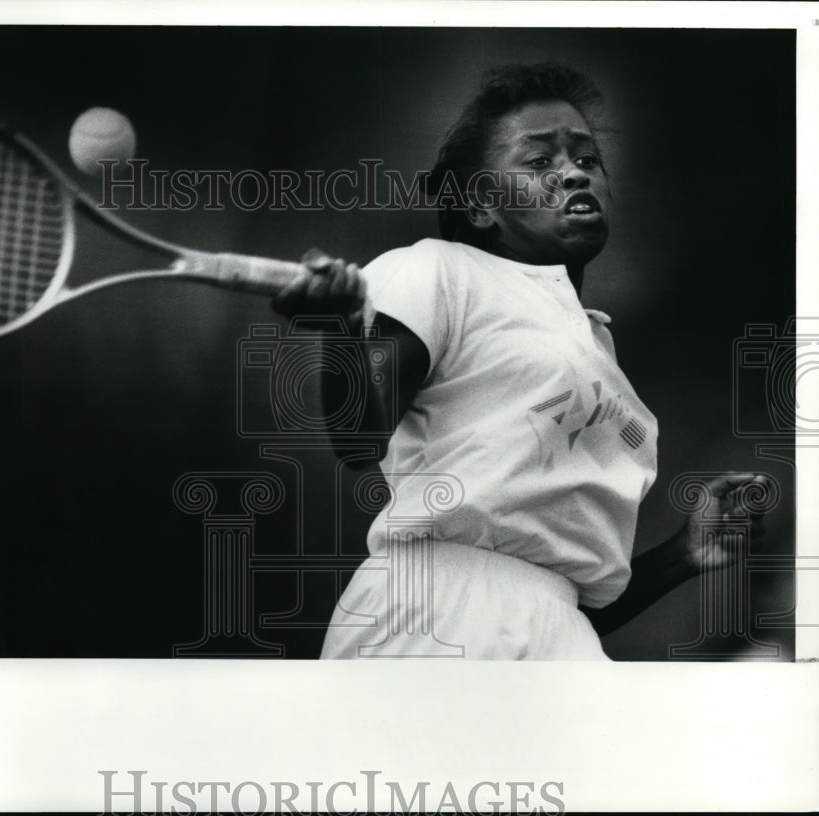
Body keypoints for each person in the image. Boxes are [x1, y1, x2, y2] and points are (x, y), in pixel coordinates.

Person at [272, 62, 767, 660]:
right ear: (482, 205)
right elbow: (356, 439)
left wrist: (684, 554)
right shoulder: (437, 270)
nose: (573, 174)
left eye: (587, 160)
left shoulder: (599, 351)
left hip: (565, 642)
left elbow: (558, 597)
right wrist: (344, 331)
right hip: (432, 617)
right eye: (539, 163)